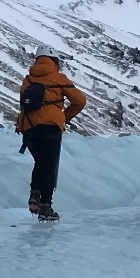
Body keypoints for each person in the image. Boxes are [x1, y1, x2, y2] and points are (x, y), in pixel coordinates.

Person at [17, 46, 87, 221]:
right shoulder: (58, 78)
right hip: (50, 127)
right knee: (49, 166)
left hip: (28, 127)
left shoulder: (28, 79)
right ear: (54, 61)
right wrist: (62, 117)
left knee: (40, 162)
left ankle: (35, 194)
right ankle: (45, 207)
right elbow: (80, 101)